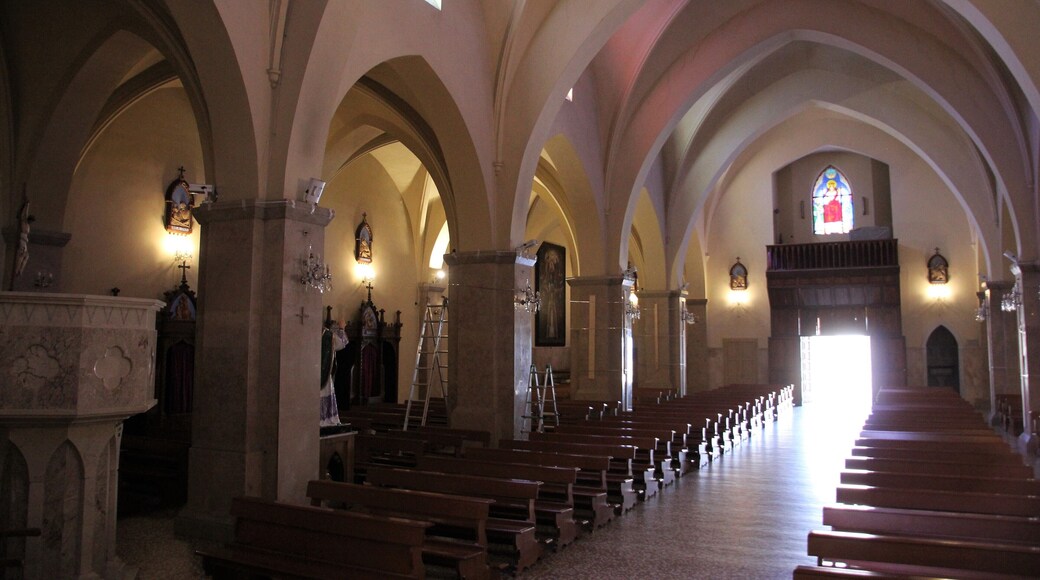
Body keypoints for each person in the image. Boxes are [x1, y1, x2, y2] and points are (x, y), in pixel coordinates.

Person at [320, 319, 348, 426]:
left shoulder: (304, 334)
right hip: (324, 377)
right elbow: (342, 343)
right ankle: (325, 421)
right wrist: (341, 328)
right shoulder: (328, 336)